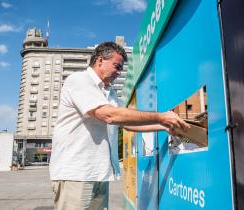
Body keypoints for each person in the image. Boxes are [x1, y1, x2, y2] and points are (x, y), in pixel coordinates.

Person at [49, 42, 189, 210]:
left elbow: (127, 123)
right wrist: (161, 116)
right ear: (100, 60)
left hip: (99, 174)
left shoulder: (110, 93)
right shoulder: (79, 80)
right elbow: (109, 115)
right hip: (75, 174)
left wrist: (162, 126)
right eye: (117, 66)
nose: (119, 72)